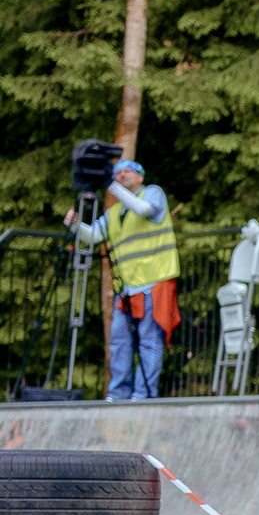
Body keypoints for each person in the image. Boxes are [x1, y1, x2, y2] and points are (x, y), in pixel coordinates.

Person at [64, 157, 180, 402]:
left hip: (155, 281)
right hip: (127, 289)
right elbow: (93, 236)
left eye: (128, 171)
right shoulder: (114, 213)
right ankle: (118, 394)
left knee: (149, 341)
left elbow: (143, 209)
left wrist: (112, 185)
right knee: (119, 343)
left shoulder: (153, 193)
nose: (122, 175)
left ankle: (143, 395)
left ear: (141, 176)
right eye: (117, 173)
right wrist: (75, 225)